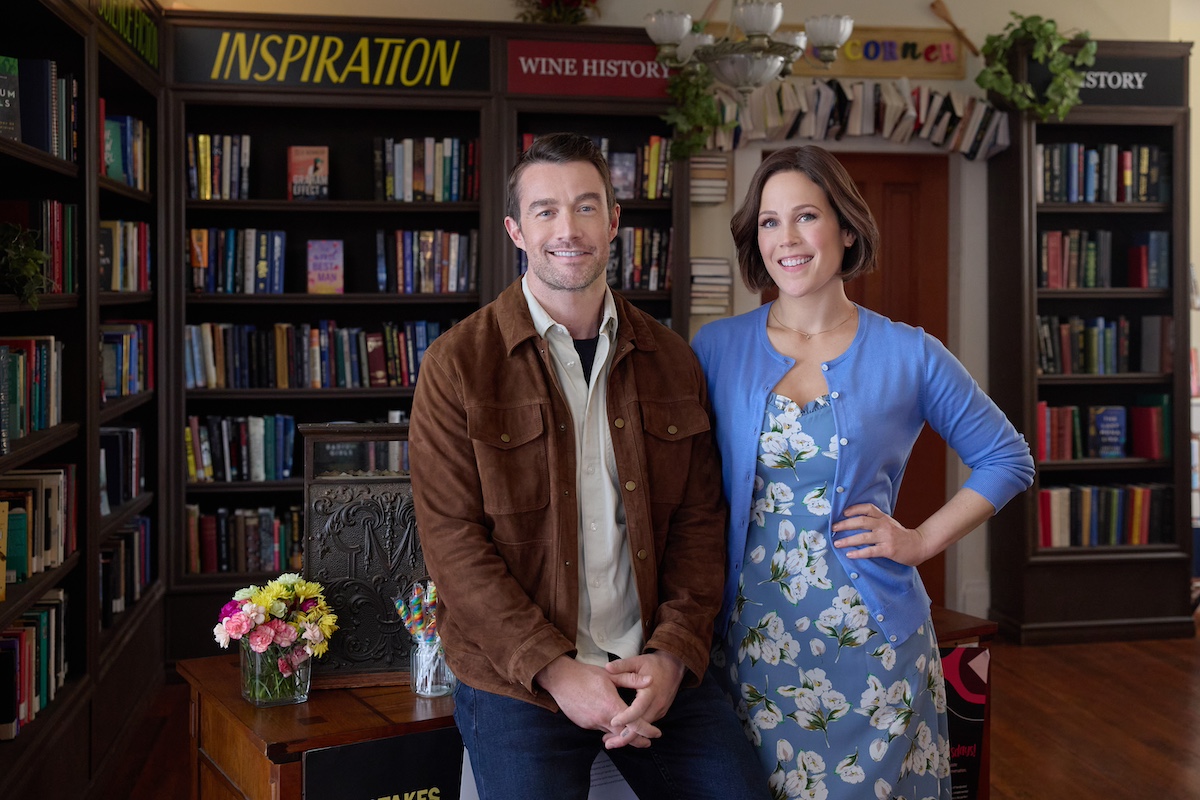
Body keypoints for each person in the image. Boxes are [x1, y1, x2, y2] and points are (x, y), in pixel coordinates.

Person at [408, 132, 769, 800]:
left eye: (584, 207)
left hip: (651, 668)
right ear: (516, 228)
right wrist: (555, 670)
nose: (567, 229)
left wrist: (672, 655)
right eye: (545, 211)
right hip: (519, 683)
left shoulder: (670, 358)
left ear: (614, 221)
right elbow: (453, 545)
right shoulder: (457, 365)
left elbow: (698, 525)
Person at [691, 145, 1035, 800]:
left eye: (805, 217)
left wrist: (921, 541)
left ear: (846, 229)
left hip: (874, 655)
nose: (786, 239)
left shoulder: (910, 353)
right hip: (749, 648)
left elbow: (1006, 457)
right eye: (768, 222)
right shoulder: (715, 347)